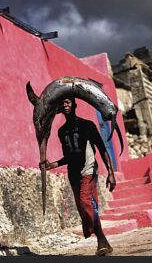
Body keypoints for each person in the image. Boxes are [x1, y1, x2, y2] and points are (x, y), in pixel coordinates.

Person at [41, 96, 116, 256]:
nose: (65, 104)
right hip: (73, 172)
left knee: (84, 200)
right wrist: (53, 164)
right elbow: (69, 155)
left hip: (88, 169)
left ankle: (101, 238)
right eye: (62, 103)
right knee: (84, 207)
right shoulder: (61, 131)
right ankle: (102, 241)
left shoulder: (87, 125)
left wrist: (111, 172)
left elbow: (102, 148)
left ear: (75, 105)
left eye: (68, 101)